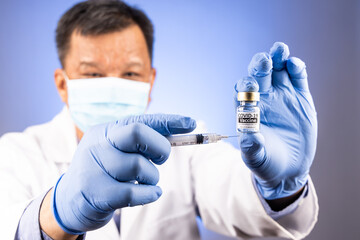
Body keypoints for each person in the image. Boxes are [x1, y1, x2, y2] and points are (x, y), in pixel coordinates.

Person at [0, 1, 319, 239]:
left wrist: (280, 189)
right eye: (93, 73)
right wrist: (57, 212)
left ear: (150, 82)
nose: (113, 85)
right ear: (62, 83)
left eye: (130, 73)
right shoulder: (16, 154)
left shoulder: (188, 147)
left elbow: (237, 195)